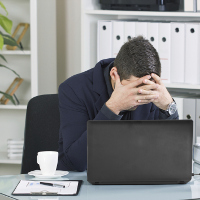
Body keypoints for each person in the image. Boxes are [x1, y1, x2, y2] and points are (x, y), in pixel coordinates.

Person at [57, 36, 179, 172]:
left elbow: (173, 157)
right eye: (133, 90)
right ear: (114, 74)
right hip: (91, 186)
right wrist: (112, 108)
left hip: (140, 181)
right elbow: (74, 163)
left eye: (145, 91)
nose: (139, 99)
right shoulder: (73, 89)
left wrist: (169, 106)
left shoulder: (152, 90)